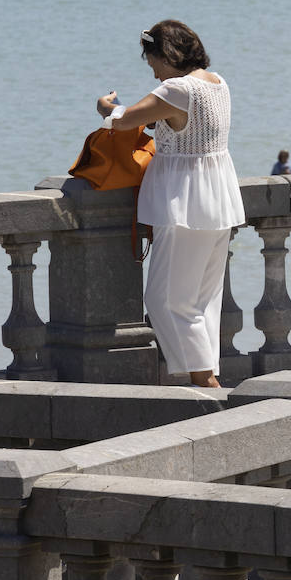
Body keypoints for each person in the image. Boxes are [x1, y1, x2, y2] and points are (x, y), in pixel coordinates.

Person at [94, 21, 245, 388]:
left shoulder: (177, 89)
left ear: (169, 55)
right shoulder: (218, 83)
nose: (152, 70)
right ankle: (205, 383)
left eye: (153, 61)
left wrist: (105, 108)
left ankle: (207, 383)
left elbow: (125, 120)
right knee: (202, 300)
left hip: (185, 205)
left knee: (165, 300)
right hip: (218, 201)